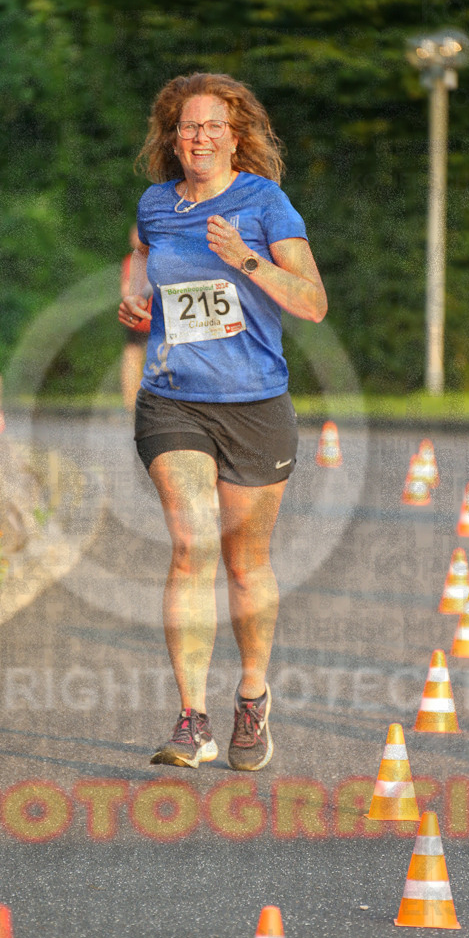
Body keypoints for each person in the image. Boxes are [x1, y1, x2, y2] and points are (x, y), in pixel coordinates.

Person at [119, 72, 327, 771]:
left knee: (246, 564)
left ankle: (251, 696)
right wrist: (134, 300)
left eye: (211, 126)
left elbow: (312, 304)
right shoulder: (156, 205)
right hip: (172, 399)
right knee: (190, 543)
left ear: (235, 137)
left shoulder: (264, 203)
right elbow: (144, 265)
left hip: (255, 405)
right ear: (171, 140)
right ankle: (190, 719)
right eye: (185, 127)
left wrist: (245, 259)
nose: (198, 137)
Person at [119, 225, 152, 412]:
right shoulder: (161, 259)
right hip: (155, 317)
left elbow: (125, 290)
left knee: (132, 358)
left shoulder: (131, 261)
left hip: (138, 317)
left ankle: (131, 404)